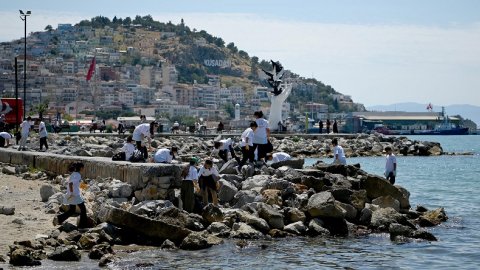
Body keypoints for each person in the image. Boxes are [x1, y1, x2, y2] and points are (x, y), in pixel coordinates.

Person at [53, 162, 88, 228]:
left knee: (72, 210)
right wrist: (72, 193)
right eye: (83, 168)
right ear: (81, 168)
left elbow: (77, 184)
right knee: (83, 209)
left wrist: (85, 186)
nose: (83, 169)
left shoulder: (74, 174)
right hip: (74, 195)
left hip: (72, 194)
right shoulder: (77, 175)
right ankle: (82, 226)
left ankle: (59, 219)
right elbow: (71, 184)